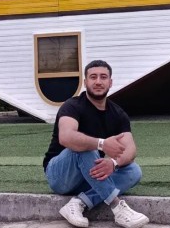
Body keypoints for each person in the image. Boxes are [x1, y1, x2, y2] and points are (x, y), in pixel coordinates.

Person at [43, 60, 150, 228]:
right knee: (85, 148)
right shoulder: (72, 106)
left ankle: (79, 203)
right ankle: (117, 208)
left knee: (133, 171)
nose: (98, 81)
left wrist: (113, 163)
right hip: (61, 175)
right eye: (93, 77)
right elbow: (66, 137)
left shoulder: (117, 113)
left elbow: (130, 149)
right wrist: (101, 144)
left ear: (110, 82)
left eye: (103, 77)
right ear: (85, 82)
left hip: (89, 174)